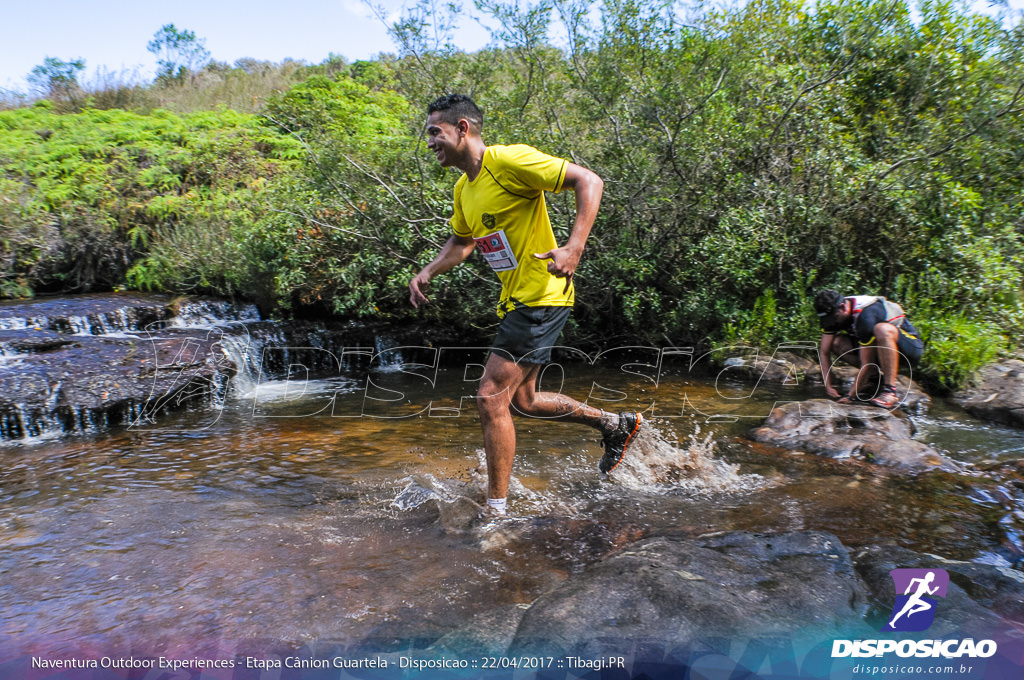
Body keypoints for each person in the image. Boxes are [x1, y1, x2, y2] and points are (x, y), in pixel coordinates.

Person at [408, 94, 643, 516]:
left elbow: (589, 181)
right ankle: (614, 424)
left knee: (489, 398)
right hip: (516, 300)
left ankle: (495, 512)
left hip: (543, 293)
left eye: (434, 132)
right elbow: (462, 244)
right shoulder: (465, 188)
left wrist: (574, 247)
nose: (429, 142)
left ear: (463, 129)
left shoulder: (509, 161)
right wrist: (427, 271)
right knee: (524, 402)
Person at [813, 289, 924, 409]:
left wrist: (850, 396)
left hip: (909, 349)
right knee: (836, 343)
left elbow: (867, 364)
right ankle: (875, 380)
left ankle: (889, 391)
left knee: (882, 329)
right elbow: (824, 352)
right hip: (879, 350)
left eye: (833, 317)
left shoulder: (866, 315)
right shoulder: (835, 312)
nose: (832, 322)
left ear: (843, 307)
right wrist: (828, 387)